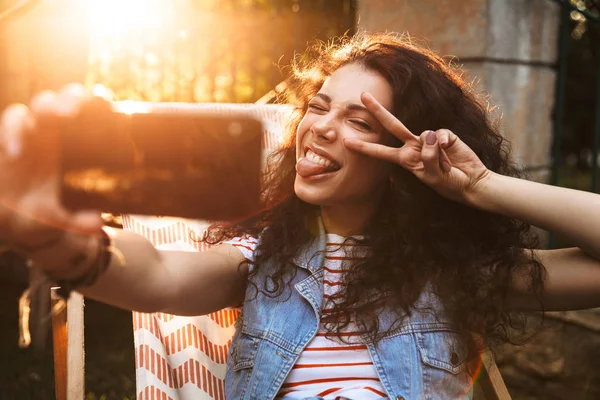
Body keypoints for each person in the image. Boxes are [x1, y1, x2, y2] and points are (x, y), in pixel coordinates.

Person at [1, 32, 600, 400]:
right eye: (318, 107)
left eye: (360, 122)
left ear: (405, 152)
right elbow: (158, 275)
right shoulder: (265, 255)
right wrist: (59, 241)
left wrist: (482, 188)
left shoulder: (456, 273)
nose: (321, 130)